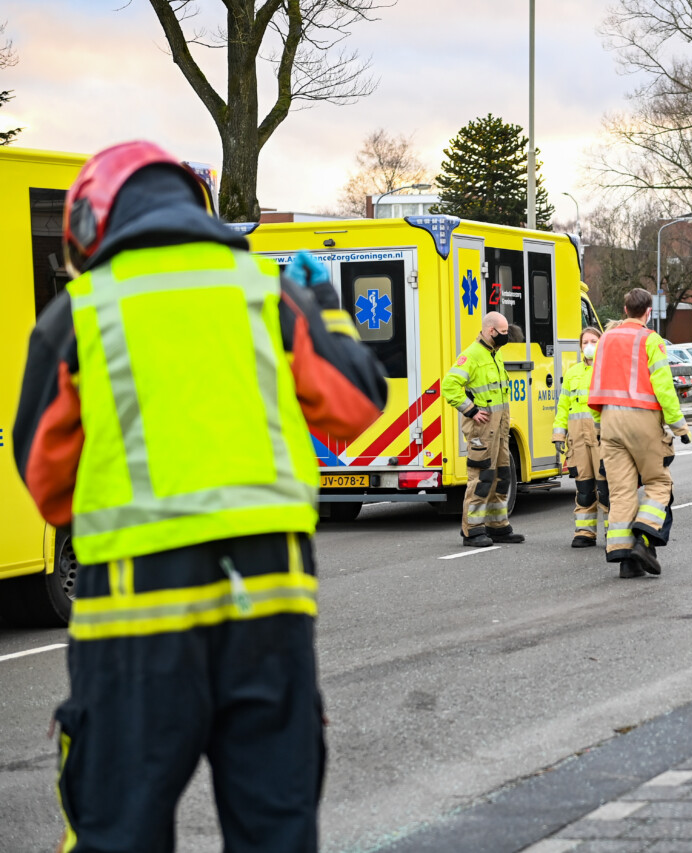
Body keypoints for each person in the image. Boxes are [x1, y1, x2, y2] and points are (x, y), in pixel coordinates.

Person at [12, 141, 388, 852]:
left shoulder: (78, 315)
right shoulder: (267, 296)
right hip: (267, 615)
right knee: (275, 831)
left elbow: (44, 480)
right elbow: (358, 403)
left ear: (91, 228)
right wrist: (324, 308)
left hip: (134, 627)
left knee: (117, 832)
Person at [588, 288, 690, 578]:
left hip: (609, 420)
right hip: (643, 420)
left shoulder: (605, 339)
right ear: (648, 312)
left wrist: (599, 421)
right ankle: (644, 539)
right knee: (659, 483)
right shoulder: (651, 340)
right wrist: (678, 425)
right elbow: (664, 388)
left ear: (624, 309)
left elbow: (595, 382)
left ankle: (625, 560)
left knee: (621, 492)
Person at [443, 311, 527, 547]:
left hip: (499, 430)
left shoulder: (494, 354)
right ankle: (472, 530)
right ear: (491, 331)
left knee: (502, 477)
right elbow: (449, 386)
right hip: (482, 431)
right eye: (503, 333)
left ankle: (497, 526)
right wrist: (470, 410)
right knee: (481, 478)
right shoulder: (471, 356)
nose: (506, 336)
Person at [553, 327, 608, 548]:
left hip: (601, 439)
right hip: (577, 441)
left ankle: (614, 532)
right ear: (580, 346)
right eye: (585, 342)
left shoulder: (606, 371)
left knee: (606, 489)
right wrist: (559, 434)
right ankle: (585, 532)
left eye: (594, 341)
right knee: (584, 489)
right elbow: (563, 407)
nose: (589, 346)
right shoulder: (572, 373)